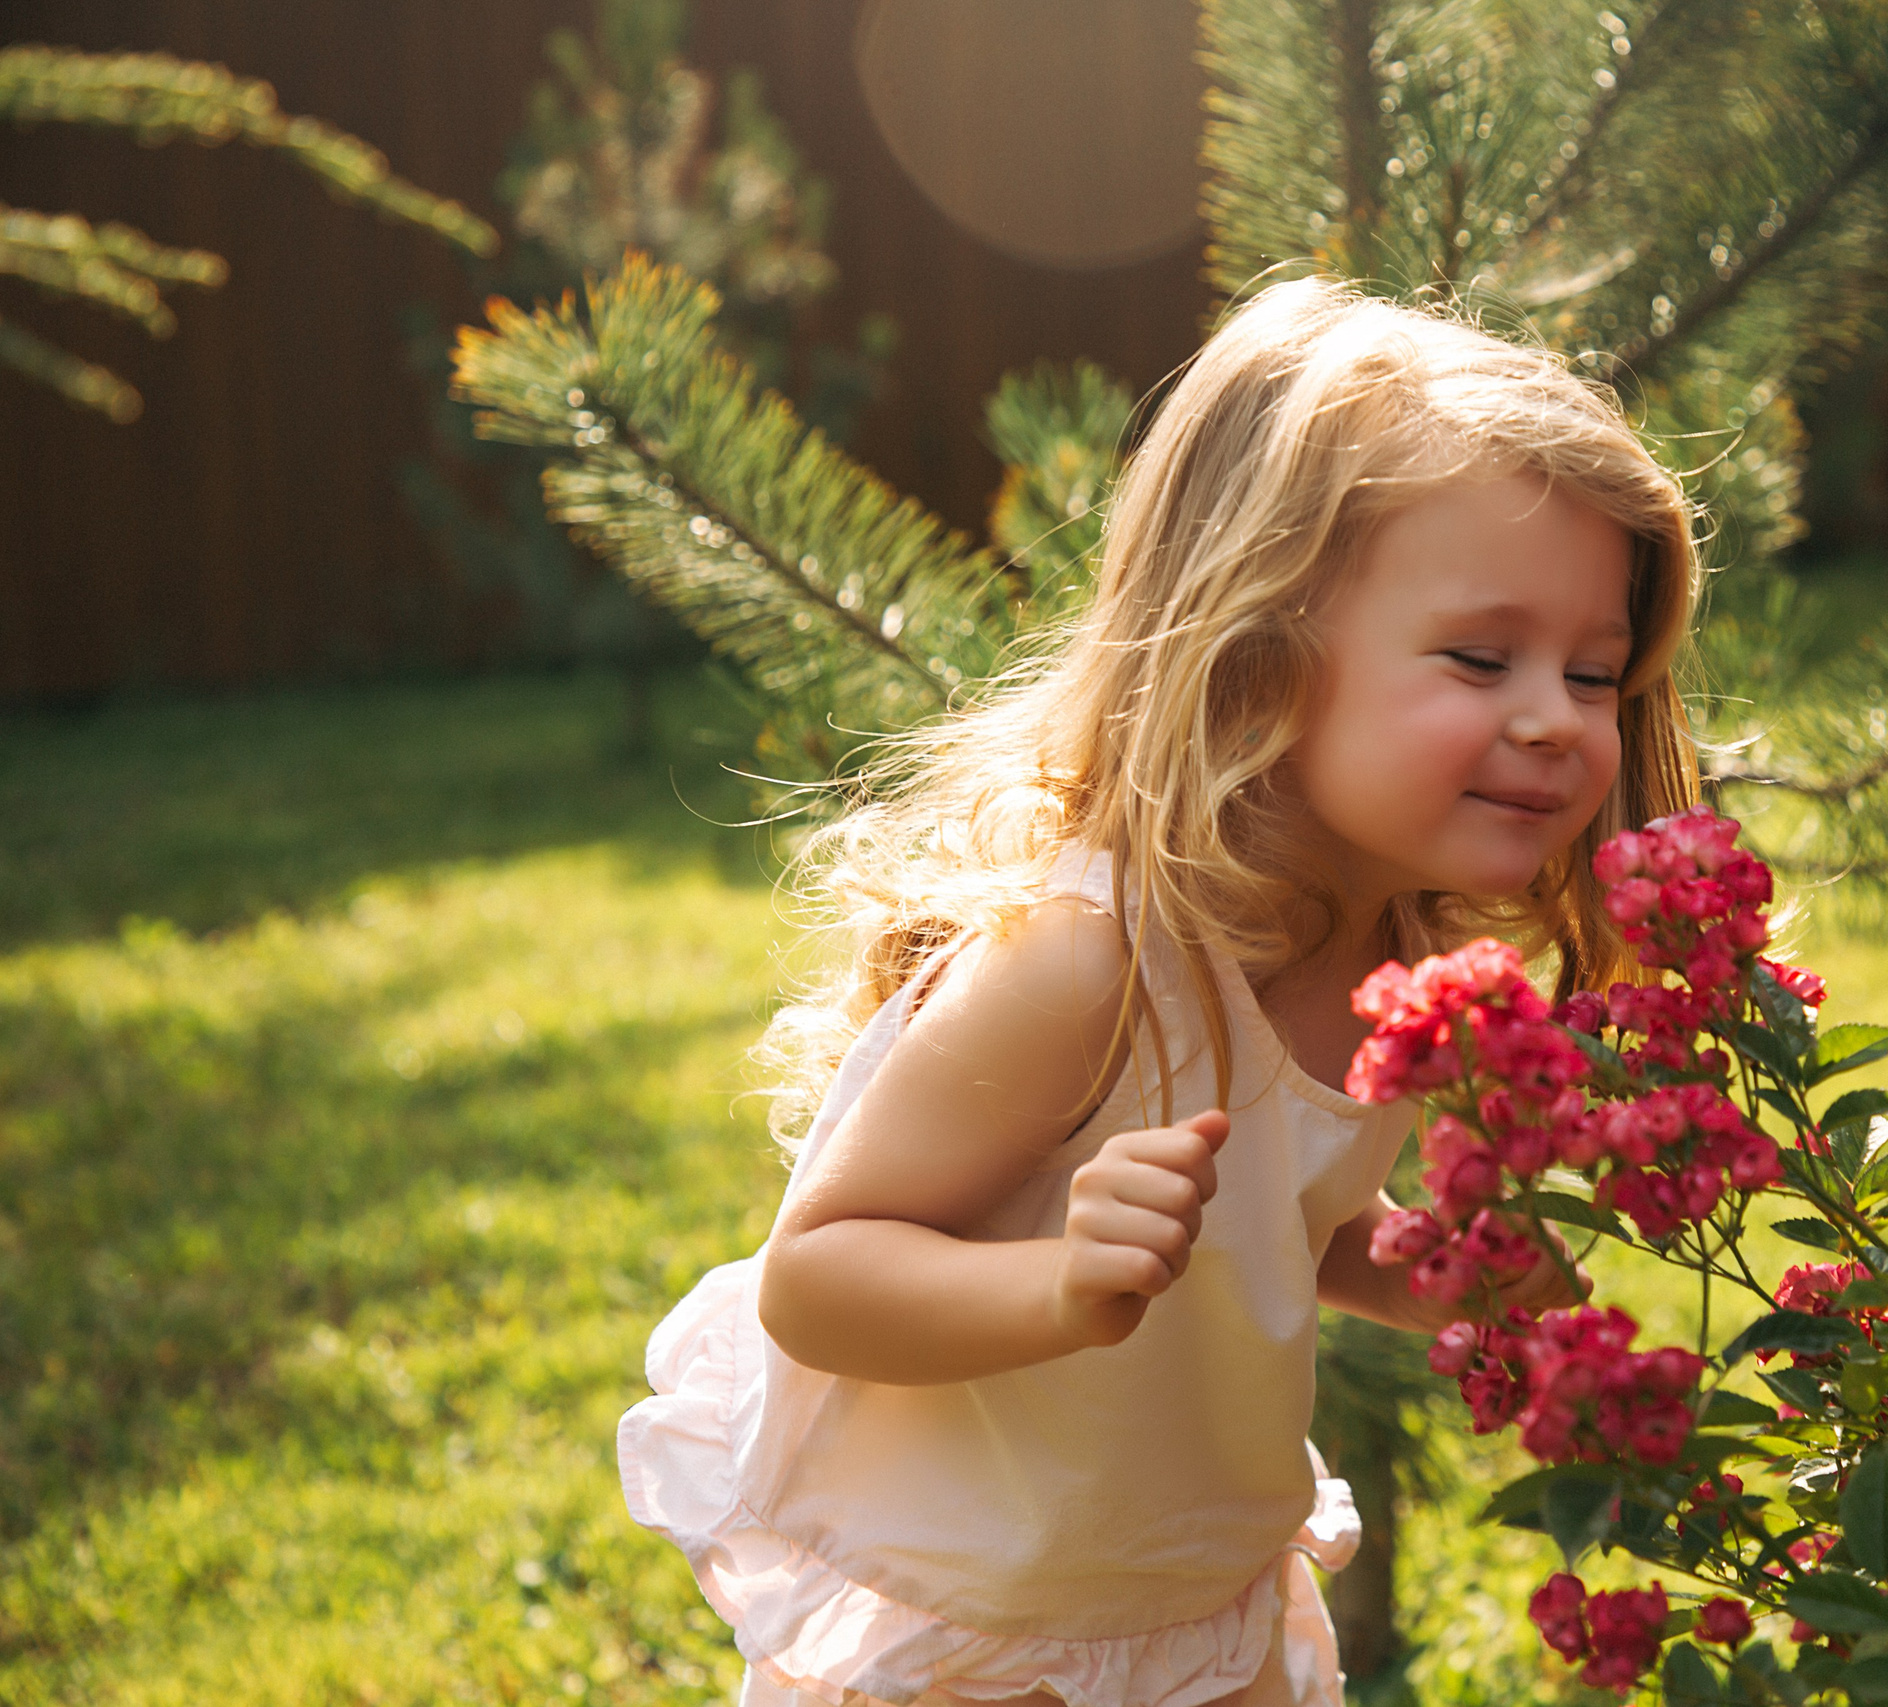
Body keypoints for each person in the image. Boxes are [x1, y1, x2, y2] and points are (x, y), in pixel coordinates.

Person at [617, 276, 1704, 1707]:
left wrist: (1434, 1267)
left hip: (1197, 1598)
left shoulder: (1400, 965)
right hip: (987, 1625)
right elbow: (819, 1281)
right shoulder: (1091, 963)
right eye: (1481, 657)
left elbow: (1273, 1227)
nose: (1553, 720)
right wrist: (1063, 1282)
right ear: (1259, 644)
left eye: (1593, 675)